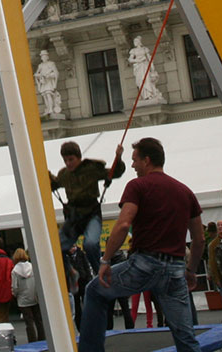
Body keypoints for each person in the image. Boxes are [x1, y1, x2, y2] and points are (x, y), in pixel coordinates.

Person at [76, 136, 204, 352]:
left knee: (95, 291)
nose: (133, 165)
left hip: (145, 263)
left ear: (147, 160)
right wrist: (191, 270)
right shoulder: (185, 191)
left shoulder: (137, 186)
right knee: (185, 337)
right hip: (175, 268)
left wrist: (106, 260)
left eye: (135, 160)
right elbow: (199, 238)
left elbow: (123, 224)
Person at [50, 140, 125, 271]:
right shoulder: (64, 174)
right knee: (56, 247)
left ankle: (98, 271)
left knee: (90, 244)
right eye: (65, 160)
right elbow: (54, 184)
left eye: (71, 159)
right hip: (74, 216)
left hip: (91, 214)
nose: (68, 163)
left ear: (79, 157)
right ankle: (70, 273)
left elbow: (115, 172)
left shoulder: (91, 169)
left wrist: (118, 157)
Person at [10, 248, 45, 344]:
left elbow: (14, 286)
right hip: (35, 297)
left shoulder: (15, 271)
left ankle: (32, 341)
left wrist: (15, 295)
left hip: (23, 300)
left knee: (29, 322)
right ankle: (42, 339)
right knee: (39, 320)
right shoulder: (32, 266)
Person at [35, 50, 62, 116]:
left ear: (47, 57)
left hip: (49, 81)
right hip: (43, 82)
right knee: (45, 96)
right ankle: (48, 108)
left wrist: (50, 75)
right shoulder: (40, 65)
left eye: (45, 56)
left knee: (48, 95)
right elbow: (36, 74)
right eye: (42, 56)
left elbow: (56, 73)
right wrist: (40, 76)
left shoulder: (51, 63)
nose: (43, 57)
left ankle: (51, 109)